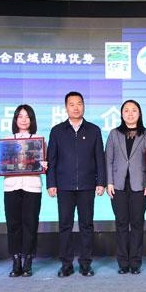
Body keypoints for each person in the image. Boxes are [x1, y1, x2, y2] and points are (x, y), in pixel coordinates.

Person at [46, 91, 106, 277]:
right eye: (71, 104)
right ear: (66, 108)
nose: (76, 107)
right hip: (64, 185)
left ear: (84, 106)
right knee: (65, 225)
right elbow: (52, 159)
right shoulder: (57, 131)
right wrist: (51, 183)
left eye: (79, 103)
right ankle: (66, 264)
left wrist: (101, 182)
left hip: (87, 185)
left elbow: (100, 158)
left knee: (86, 225)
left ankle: (86, 264)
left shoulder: (94, 130)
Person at [105, 100, 146, 274]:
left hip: (140, 185)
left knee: (137, 224)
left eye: (134, 110)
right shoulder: (114, 134)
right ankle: (123, 263)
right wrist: (109, 182)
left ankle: (135, 263)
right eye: (126, 110)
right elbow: (108, 159)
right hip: (118, 185)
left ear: (139, 113)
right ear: (121, 114)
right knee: (121, 224)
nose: (130, 113)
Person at [4, 104, 45, 277]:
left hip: (32, 186)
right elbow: (2, 163)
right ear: (15, 119)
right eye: (20, 116)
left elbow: (43, 164)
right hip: (11, 186)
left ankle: (28, 260)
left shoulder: (39, 140)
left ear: (32, 120)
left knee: (30, 224)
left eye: (27, 116)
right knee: (13, 224)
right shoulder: (7, 140)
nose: (23, 120)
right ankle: (16, 261)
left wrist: (44, 165)